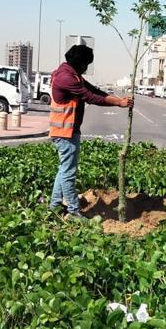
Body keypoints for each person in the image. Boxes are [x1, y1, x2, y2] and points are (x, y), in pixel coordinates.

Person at [49, 44, 133, 219]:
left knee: (63, 170)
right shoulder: (66, 78)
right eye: (86, 64)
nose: (86, 68)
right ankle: (73, 211)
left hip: (67, 131)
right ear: (79, 62)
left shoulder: (72, 74)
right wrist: (119, 103)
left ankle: (55, 206)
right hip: (66, 132)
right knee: (68, 173)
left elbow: (94, 90)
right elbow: (90, 97)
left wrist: (118, 100)